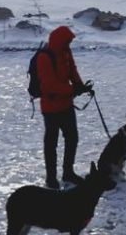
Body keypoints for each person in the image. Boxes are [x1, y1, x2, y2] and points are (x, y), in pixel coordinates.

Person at [37, 25, 94, 188]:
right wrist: (72, 89)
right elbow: (48, 86)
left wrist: (81, 86)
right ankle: (51, 178)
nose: (69, 44)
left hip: (66, 104)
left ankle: (68, 172)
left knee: (72, 138)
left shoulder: (65, 52)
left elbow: (72, 71)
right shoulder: (45, 57)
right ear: (61, 41)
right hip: (50, 108)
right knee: (51, 143)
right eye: (68, 41)